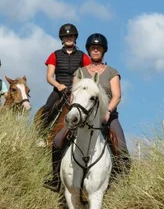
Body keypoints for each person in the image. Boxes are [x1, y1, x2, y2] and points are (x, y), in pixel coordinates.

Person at [43, 33, 131, 192]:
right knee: (57, 141)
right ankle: (56, 178)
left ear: (103, 51)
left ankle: (121, 184)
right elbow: (73, 94)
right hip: (83, 117)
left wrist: (108, 111)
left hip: (107, 116)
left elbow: (117, 96)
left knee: (123, 149)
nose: (95, 51)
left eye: (98, 48)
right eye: (93, 48)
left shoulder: (112, 72)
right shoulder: (80, 72)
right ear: (89, 51)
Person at [39, 23, 91, 132]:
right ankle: (41, 135)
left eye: (71, 36)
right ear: (62, 38)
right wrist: (58, 85)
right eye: (66, 36)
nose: (69, 38)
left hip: (76, 90)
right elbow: (49, 76)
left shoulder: (83, 56)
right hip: (59, 91)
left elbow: (88, 75)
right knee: (47, 109)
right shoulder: (54, 55)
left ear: (75, 38)